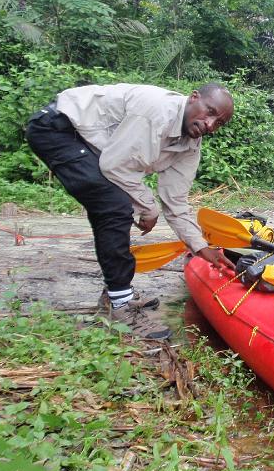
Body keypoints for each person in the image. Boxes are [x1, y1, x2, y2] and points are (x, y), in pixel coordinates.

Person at [26, 83, 236, 340]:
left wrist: (202, 248)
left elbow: (176, 201)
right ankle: (119, 306)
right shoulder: (157, 111)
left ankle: (115, 295)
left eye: (219, 123)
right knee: (113, 205)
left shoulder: (190, 144)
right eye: (209, 111)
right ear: (194, 98)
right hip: (58, 128)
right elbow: (115, 166)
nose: (210, 124)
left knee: (114, 204)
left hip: (91, 145)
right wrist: (147, 208)